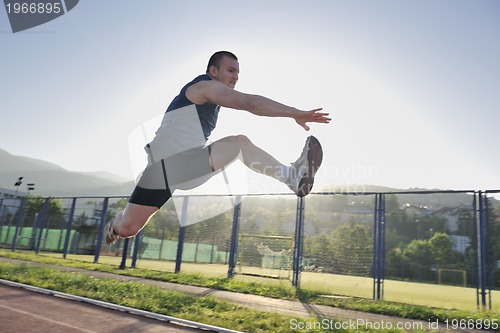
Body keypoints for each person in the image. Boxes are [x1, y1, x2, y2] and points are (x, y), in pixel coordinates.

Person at [105, 51, 331, 244]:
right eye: (231, 71)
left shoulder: (212, 100)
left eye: (238, 73)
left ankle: (291, 176)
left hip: (189, 165)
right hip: (161, 170)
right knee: (128, 229)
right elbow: (249, 103)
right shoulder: (202, 87)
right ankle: (116, 222)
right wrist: (295, 112)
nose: (235, 77)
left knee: (239, 144)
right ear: (214, 71)